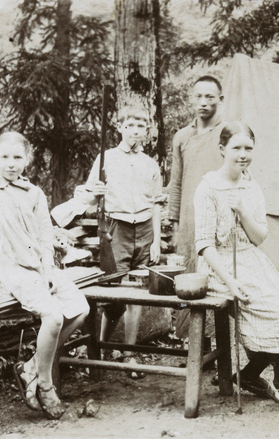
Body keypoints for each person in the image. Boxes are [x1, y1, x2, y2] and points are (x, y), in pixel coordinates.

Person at [193, 121, 279, 413]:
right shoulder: (208, 187)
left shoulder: (251, 185)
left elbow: (259, 237)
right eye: (236, 148)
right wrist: (231, 283)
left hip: (250, 258)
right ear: (222, 150)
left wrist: (243, 210)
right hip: (218, 265)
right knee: (277, 314)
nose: (243, 154)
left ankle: (250, 376)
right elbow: (205, 244)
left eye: (248, 148)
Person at [0, 132, 90, 420]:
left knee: (81, 309)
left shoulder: (34, 192)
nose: (11, 164)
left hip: (39, 267)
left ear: (27, 159)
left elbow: (44, 234)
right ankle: (46, 385)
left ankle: (31, 368)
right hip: (12, 268)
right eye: (4, 157)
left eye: (17, 157)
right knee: (53, 316)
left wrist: (49, 269)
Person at [75, 105, 163, 375]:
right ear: (120, 127)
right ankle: (98, 349)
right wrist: (94, 191)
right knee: (113, 296)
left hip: (145, 229)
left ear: (146, 130)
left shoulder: (150, 164)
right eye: (130, 125)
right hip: (117, 229)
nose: (135, 130)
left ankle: (130, 355)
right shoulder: (106, 158)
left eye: (140, 126)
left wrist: (157, 241)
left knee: (138, 294)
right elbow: (88, 198)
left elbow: (157, 204)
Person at [168, 75, 225, 273]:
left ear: (221, 99)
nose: (203, 102)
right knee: (190, 279)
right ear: (191, 98)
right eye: (198, 96)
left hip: (220, 218)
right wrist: (175, 227)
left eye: (210, 97)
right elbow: (175, 184)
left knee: (220, 278)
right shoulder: (182, 137)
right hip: (189, 219)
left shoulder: (229, 133)